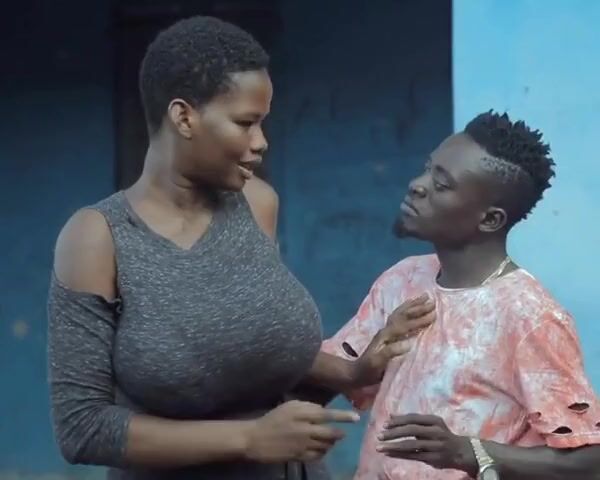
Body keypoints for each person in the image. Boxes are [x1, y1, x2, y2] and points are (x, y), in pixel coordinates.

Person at [47, 16, 434, 480]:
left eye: (262, 123)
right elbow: (82, 428)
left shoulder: (257, 203)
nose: (261, 142)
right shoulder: (98, 237)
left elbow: (253, 343)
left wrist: (352, 373)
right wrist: (249, 439)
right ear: (183, 117)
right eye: (245, 123)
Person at [322, 111, 600, 479]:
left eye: (441, 184)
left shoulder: (529, 316)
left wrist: (469, 452)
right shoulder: (403, 280)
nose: (417, 185)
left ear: (490, 220)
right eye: (427, 169)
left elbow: (589, 461)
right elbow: (335, 373)